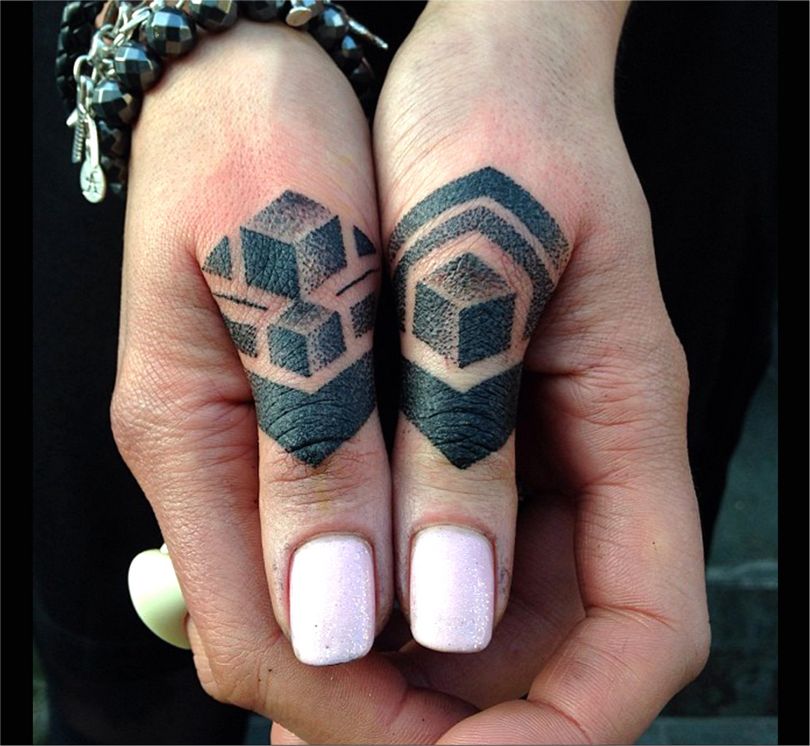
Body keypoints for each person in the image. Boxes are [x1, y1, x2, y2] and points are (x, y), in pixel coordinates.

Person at [33, 2, 776, 744]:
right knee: (136, 680)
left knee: (562, 622)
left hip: (606, 102)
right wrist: (198, 38)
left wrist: (533, 29)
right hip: (174, 157)